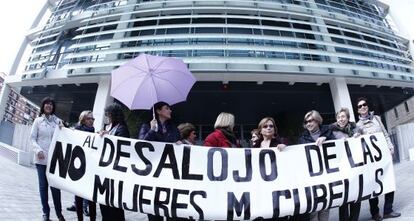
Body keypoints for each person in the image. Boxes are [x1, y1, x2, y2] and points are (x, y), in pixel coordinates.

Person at [355, 97, 401, 221]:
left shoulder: (377, 119)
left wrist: (390, 147)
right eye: (360, 106)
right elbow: (357, 143)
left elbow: (385, 134)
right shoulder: (358, 126)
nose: (363, 107)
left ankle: (388, 210)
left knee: (389, 182)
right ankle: (375, 213)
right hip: (370, 161)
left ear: (367, 106)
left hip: (383, 158)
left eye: (364, 104)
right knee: (373, 186)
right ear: (358, 110)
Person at [138, 101, 182, 221]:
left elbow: (177, 140)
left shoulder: (173, 127)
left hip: (169, 172)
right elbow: (141, 144)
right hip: (153, 172)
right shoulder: (146, 126)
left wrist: (178, 143)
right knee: (154, 209)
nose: (170, 110)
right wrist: (152, 130)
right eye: (167, 108)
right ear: (158, 111)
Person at [30, 97, 65, 221]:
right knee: (43, 187)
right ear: (43, 106)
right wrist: (38, 150)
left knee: (55, 188)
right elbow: (32, 138)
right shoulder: (38, 121)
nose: (49, 106)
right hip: (41, 159)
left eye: (51, 104)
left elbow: (66, 135)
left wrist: (63, 127)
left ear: (53, 107)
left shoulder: (58, 121)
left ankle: (59, 214)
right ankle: (46, 213)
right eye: (46, 104)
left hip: (54, 161)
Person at [298, 110, 335, 221]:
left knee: (325, 204)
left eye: (311, 121)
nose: (308, 124)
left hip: (327, 173)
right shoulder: (302, 138)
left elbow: (338, 147)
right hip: (312, 176)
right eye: (306, 122)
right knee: (314, 206)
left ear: (318, 121)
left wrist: (327, 139)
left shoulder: (328, 132)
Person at [99, 104, 129, 221]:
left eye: (108, 114)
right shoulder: (108, 127)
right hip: (106, 170)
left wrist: (109, 137)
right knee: (104, 203)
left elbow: (122, 147)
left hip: (115, 172)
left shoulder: (122, 129)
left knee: (114, 204)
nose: (107, 116)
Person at [330, 108, 361, 221]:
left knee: (356, 195)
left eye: (343, 117)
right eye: (338, 117)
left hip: (355, 166)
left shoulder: (356, 128)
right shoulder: (332, 131)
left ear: (348, 118)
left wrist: (359, 137)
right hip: (341, 168)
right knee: (344, 196)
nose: (340, 119)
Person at [72, 110, 97, 221]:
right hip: (79, 167)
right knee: (78, 196)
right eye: (89, 118)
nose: (91, 121)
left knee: (91, 196)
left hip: (90, 168)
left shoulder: (94, 131)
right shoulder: (77, 130)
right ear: (83, 119)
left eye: (93, 119)